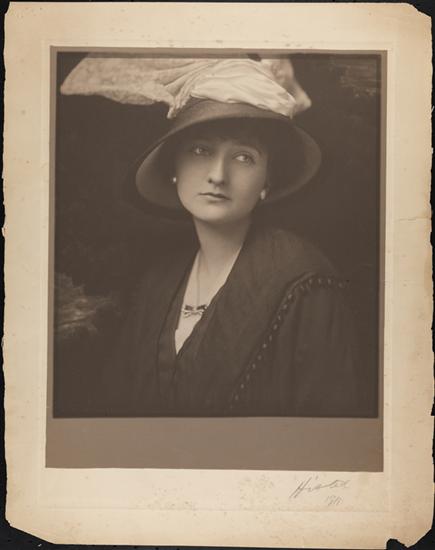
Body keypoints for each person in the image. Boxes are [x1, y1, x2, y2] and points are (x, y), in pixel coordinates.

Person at [87, 57, 366, 418]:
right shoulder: (158, 279)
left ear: (267, 182)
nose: (218, 175)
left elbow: (329, 432)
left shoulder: (305, 280)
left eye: (244, 157)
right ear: (174, 168)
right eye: (200, 150)